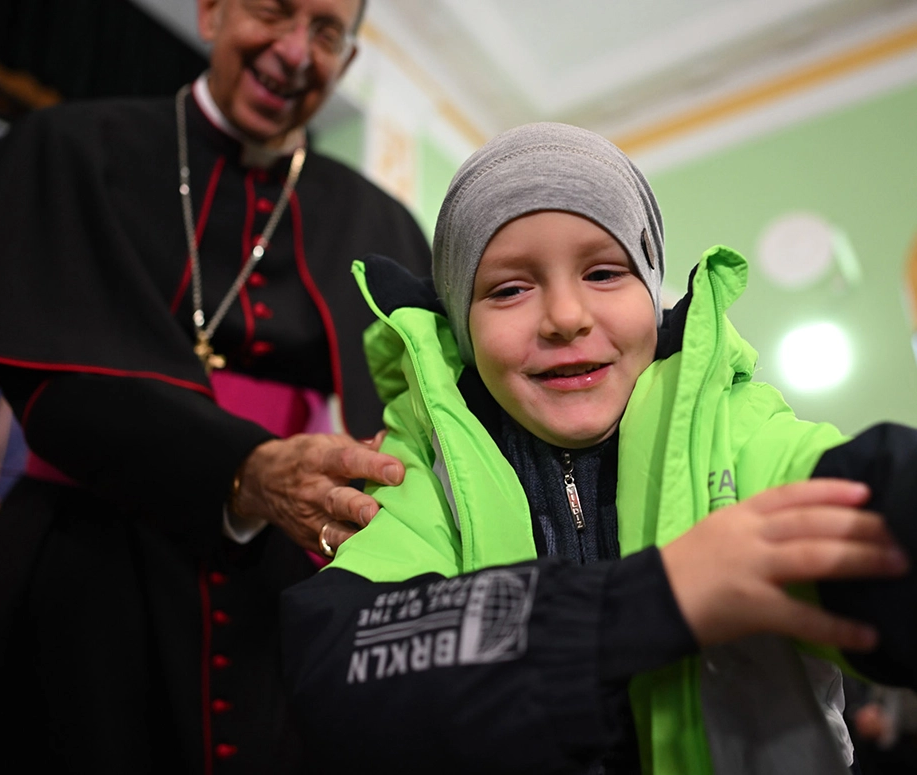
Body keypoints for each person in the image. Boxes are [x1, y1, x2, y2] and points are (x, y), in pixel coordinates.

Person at [281, 122, 917, 774]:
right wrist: (656, 598)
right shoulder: (424, 470)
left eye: (606, 272)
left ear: (652, 290)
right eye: (508, 288)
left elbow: (870, 498)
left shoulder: (739, 429)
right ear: (463, 327)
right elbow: (337, 665)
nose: (565, 315)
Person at [0, 0, 430, 772]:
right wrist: (246, 465)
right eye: (274, 11)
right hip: (80, 558)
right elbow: (57, 386)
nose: (295, 52)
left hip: (276, 578)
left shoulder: (378, 223)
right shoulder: (77, 149)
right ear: (214, 12)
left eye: (326, 32)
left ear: (347, 63)